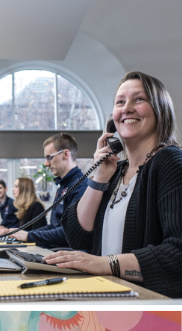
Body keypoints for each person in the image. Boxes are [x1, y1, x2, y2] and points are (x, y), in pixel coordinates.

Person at [46, 71, 182, 297]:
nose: (126, 108)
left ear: (160, 110)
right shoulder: (115, 171)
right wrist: (99, 177)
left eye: (138, 99)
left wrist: (104, 263)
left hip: (148, 306)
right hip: (108, 297)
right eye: (120, 102)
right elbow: (77, 235)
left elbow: (177, 254)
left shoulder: (170, 162)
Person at [3, 134, 88, 246]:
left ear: (65, 154)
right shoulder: (63, 186)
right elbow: (54, 226)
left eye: (49, 157)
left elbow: (70, 233)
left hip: (68, 253)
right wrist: (23, 234)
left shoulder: (81, 186)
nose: (46, 164)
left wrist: (29, 236)